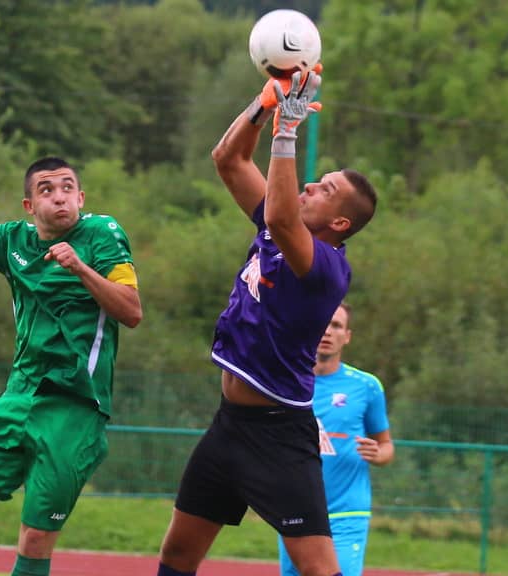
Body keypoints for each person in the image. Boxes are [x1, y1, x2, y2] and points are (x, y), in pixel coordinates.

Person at [155, 68, 377, 576]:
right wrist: (263, 106)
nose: (311, 185)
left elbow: (279, 216)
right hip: (229, 425)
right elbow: (227, 159)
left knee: (319, 569)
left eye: (325, 189)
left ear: (340, 223)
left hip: (280, 436)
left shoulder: (326, 267)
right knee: (177, 555)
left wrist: (286, 131)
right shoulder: (278, 226)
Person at [0, 142, 142, 576]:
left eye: (68, 188)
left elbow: (132, 310)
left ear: (81, 197)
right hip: (19, 396)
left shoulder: (103, 234)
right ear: (29, 205)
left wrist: (81, 268)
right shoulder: (13, 240)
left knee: (36, 538)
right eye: (47, 189)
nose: (59, 197)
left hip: (75, 405)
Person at [278, 303, 394, 576]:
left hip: (346, 514)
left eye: (337, 325)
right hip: (295, 511)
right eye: (323, 322)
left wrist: (379, 454)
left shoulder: (366, 386)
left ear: (347, 336)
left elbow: (386, 445)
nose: (328, 331)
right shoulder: (285, 383)